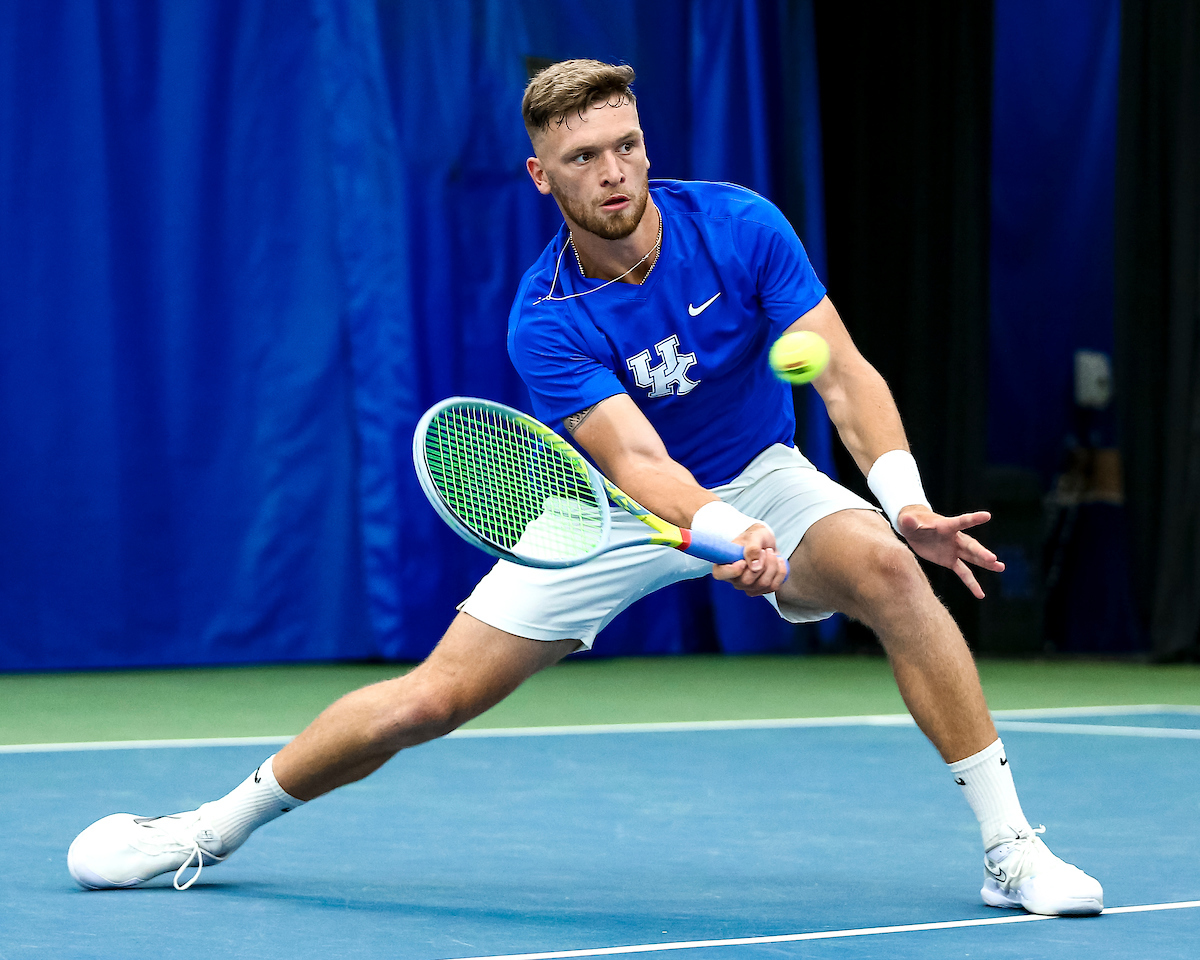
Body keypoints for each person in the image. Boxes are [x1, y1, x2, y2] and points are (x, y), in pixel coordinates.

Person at [67, 59, 1102, 916]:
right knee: (429, 700)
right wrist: (723, 531)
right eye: (582, 159)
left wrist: (902, 498)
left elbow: (840, 370)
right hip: (613, 505)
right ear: (540, 176)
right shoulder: (547, 317)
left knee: (884, 563)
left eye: (625, 146)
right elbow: (641, 466)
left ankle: (1010, 848)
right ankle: (206, 829)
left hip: (760, 469)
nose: (613, 172)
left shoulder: (740, 226)